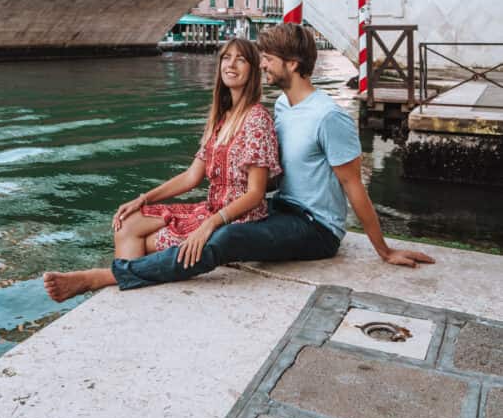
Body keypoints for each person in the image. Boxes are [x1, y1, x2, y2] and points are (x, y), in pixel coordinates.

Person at [43, 24, 434, 302]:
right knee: (155, 225)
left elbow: (353, 187)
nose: (262, 66)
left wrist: (383, 250)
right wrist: (145, 196)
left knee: (223, 239)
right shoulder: (282, 105)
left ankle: (104, 278)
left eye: (267, 60)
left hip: (316, 227)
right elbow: (232, 173)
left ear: (293, 63)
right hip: (281, 208)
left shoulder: (327, 116)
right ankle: (132, 284)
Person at [43, 39, 281, 300]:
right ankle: (127, 288)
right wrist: (143, 199)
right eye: (226, 57)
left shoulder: (257, 119)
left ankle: (108, 284)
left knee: (144, 242)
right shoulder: (222, 119)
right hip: (210, 210)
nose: (231, 64)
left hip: (236, 222)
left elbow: (256, 194)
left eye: (241, 59)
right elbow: (192, 176)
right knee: (127, 222)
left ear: (252, 70)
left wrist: (210, 225)